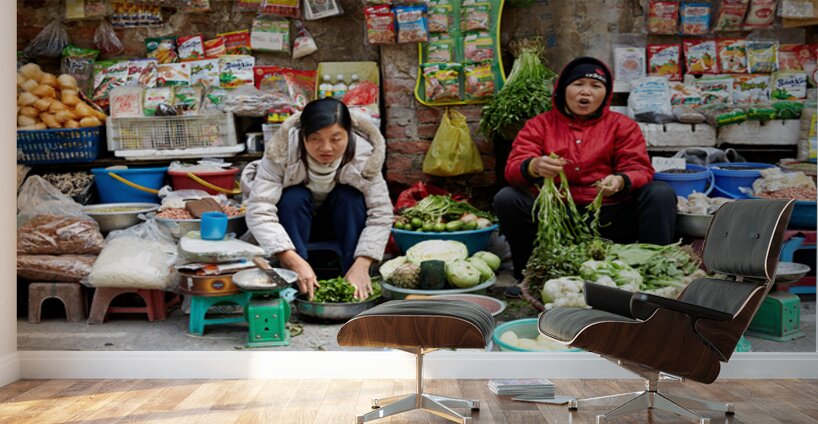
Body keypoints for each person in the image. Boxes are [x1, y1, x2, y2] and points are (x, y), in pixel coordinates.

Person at [494, 56, 677, 282]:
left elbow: (639, 168)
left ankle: (655, 271)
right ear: (562, 90)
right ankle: (530, 276)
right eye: (578, 84)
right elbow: (513, 168)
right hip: (558, 218)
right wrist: (533, 166)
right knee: (507, 197)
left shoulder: (622, 126)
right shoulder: (539, 125)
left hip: (609, 215)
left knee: (659, 193)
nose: (586, 92)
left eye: (596, 86)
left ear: (606, 94)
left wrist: (620, 181)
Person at [242, 98, 393, 300]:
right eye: (315, 138)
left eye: (336, 139)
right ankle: (297, 281)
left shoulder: (365, 156)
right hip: (292, 227)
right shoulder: (281, 151)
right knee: (293, 197)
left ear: (349, 134)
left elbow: (381, 213)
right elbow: (259, 209)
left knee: (349, 197)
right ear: (302, 135)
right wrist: (290, 258)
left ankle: (354, 279)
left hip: (339, 223)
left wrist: (364, 262)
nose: (326, 148)